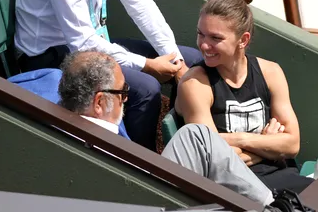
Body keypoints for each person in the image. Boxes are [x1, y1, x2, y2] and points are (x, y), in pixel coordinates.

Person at [14, 0, 202, 151]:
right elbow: (82, 44)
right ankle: (146, 164)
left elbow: (140, 4)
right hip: (50, 56)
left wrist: (175, 58)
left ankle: (188, 148)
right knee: (145, 88)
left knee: (192, 60)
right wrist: (146, 65)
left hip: (93, 41)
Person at [57, 50, 289, 211]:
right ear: (99, 103)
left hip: (144, 192)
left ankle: (273, 206)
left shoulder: (56, 125)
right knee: (197, 138)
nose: (126, 99)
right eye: (122, 91)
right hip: (145, 200)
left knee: (195, 136)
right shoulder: (95, 139)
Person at [175, 0, 314, 194]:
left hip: (285, 177)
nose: (203, 45)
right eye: (201, 34)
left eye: (215, 38)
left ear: (243, 40)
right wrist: (269, 146)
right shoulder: (195, 84)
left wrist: (239, 139)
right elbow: (213, 158)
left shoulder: (270, 72)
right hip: (240, 189)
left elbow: (292, 144)